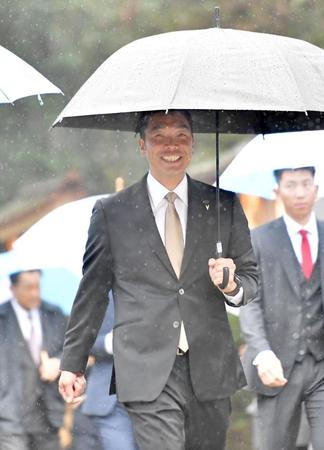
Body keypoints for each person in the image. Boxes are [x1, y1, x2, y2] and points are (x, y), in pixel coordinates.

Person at [58, 110, 258, 450]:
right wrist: (72, 364)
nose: (171, 145)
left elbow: (251, 279)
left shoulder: (222, 205)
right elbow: (92, 292)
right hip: (146, 368)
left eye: (181, 135)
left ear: (193, 144)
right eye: (159, 136)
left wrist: (232, 286)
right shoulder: (112, 213)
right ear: (142, 145)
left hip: (210, 368)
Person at [239, 166, 324, 450]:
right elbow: (250, 302)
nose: (299, 192)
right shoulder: (258, 240)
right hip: (277, 365)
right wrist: (261, 351)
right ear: (277, 192)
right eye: (291, 185)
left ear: (316, 190)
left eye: (306, 184)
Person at [0, 269, 67, 450]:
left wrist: (58, 364)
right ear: (13, 289)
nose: (34, 293)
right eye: (28, 288)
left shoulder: (54, 314)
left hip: (48, 413)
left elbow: (71, 350)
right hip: (9, 415)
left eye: (37, 287)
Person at [81, 293, 139, 450]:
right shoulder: (100, 294)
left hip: (157, 395)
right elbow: (81, 339)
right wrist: (110, 342)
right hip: (112, 399)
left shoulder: (162, 290)